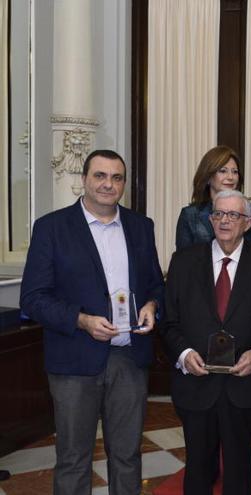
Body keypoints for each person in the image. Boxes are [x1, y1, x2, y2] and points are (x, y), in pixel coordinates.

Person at [20, 149, 164, 495]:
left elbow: (155, 284)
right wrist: (81, 320)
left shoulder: (141, 226)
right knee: (73, 458)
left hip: (128, 358)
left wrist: (152, 304)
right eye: (100, 176)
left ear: (124, 184)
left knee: (128, 455)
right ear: (83, 180)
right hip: (74, 361)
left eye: (116, 178)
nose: (108, 184)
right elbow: (33, 298)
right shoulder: (52, 228)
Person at [162, 189, 251, 494]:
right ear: (210, 219)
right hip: (196, 385)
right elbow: (169, 322)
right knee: (197, 469)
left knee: (240, 468)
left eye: (234, 215)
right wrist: (184, 354)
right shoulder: (183, 262)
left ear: (248, 223)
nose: (225, 221)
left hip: (244, 386)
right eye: (219, 214)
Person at [175, 145, 251, 250]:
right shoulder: (190, 215)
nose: (230, 177)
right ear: (208, 177)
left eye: (235, 172)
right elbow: (183, 260)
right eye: (223, 171)